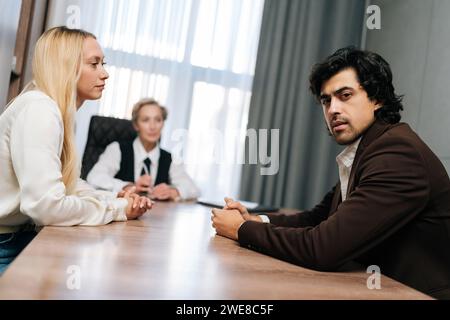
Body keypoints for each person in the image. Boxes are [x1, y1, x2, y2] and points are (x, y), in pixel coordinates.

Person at [212, 47, 450, 299]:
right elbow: (318, 217)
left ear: (377, 98)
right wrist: (255, 220)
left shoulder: (397, 154)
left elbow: (323, 248)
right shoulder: (367, 149)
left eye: (345, 95)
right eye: (326, 100)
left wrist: (240, 230)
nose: (333, 109)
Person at [0, 26, 152, 274]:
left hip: (18, 237)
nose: (105, 74)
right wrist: (116, 209)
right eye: (94, 64)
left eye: (103, 63)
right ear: (66, 66)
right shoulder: (40, 111)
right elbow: (46, 206)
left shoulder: (55, 111)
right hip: (5, 244)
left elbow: (64, 183)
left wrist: (113, 199)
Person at [86, 98, 200, 201]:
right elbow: (94, 178)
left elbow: (194, 189)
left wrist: (173, 192)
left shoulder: (169, 158)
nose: (152, 126)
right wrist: (128, 187)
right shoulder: (117, 149)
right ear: (136, 125)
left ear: (163, 124)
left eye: (158, 120)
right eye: (146, 120)